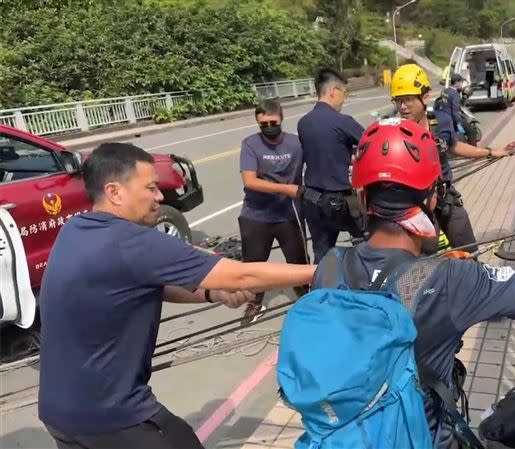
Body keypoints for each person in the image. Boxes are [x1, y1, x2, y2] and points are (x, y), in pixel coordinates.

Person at [310, 119, 515, 449]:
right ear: (433, 198)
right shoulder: (450, 280)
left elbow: (385, 288)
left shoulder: (331, 266)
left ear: (364, 199)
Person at [37, 143, 316, 449]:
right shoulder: (132, 240)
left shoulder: (74, 229)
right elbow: (241, 275)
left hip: (58, 414)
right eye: (151, 187)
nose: (159, 197)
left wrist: (211, 294)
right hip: (114, 415)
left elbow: (143, 284)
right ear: (115, 192)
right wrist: (321, 271)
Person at [388, 63, 515, 256]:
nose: (403, 107)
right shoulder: (392, 133)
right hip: (415, 206)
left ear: (425, 97)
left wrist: (493, 151)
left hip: (445, 196)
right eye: (398, 101)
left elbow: (454, 147)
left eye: (408, 100)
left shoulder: (439, 122)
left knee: (468, 250)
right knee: (426, 259)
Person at [238, 99, 310, 321]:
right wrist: (287, 189)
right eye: (263, 124)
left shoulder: (296, 143)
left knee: (298, 261)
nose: (269, 126)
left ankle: (304, 296)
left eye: (273, 122)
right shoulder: (251, 144)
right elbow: (250, 181)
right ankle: (254, 301)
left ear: (281, 117)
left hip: (289, 215)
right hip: (257, 215)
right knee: (253, 264)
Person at [296, 68, 365, 264]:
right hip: (339, 200)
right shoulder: (342, 121)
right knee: (365, 243)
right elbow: (371, 144)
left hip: (312, 199)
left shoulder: (304, 123)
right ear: (333, 91)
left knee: (322, 255)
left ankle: (322, 290)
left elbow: (325, 151)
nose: (343, 99)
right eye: (344, 93)